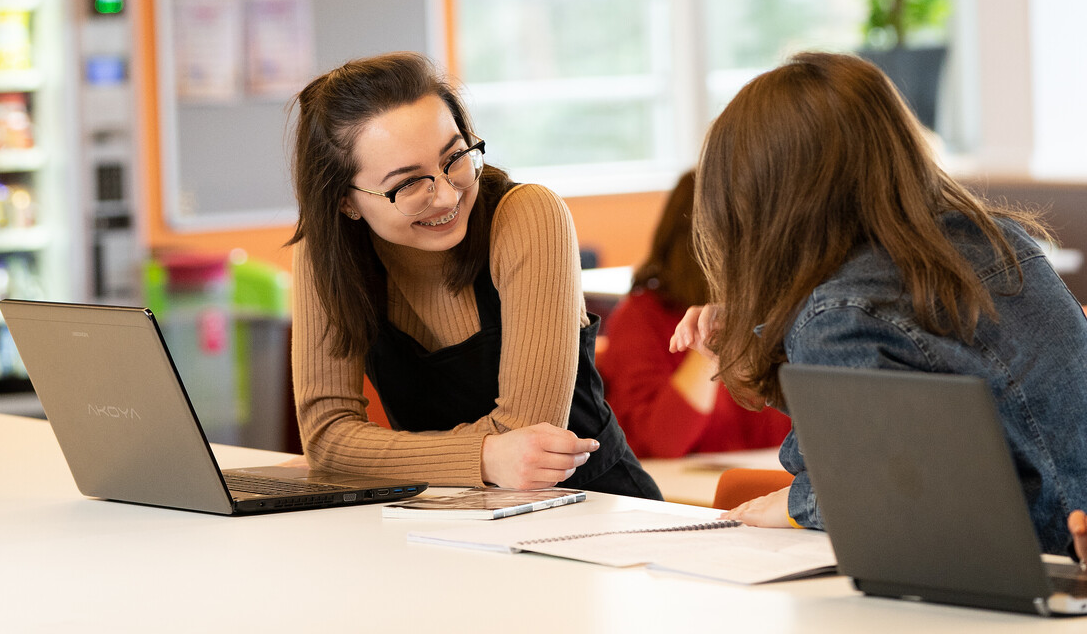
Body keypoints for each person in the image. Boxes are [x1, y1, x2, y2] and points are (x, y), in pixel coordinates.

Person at [669, 51, 1087, 559]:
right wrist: (765, 337)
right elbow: (929, 411)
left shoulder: (840, 313)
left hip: (1017, 575)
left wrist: (802, 503)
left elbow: (889, 496)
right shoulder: (1002, 240)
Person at [287, 51, 660, 498]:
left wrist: (381, 454)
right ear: (345, 201)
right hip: (444, 513)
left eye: (455, 158)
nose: (445, 196)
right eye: (408, 184)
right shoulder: (324, 253)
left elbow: (529, 437)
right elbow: (327, 441)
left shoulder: (528, 217)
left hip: (591, 505)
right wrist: (486, 456)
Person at [597, 171, 792, 457]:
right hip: (683, 494)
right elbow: (659, 442)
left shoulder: (773, 314)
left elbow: (795, 434)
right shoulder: (641, 317)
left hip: (761, 488)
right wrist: (708, 347)